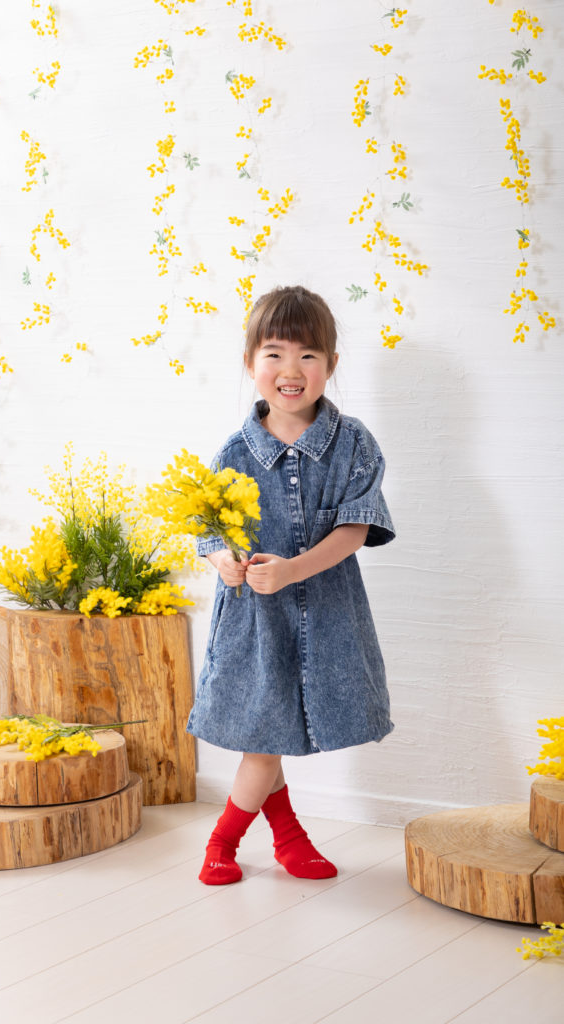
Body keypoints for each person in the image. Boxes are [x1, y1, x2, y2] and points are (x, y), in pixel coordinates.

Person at [188, 284, 396, 885]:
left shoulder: (353, 443)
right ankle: (226, 843)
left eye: (308, 355)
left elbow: (356, 528)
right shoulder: (234, 452)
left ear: (331, 364)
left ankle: (285, 839)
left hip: (325, 610)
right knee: (264, 737)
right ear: (250, 362)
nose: (291, 370)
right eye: (274, 353)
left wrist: (291, 570)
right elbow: (208, 529)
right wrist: (223, 561)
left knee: (268, 734)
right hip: (254, 618)